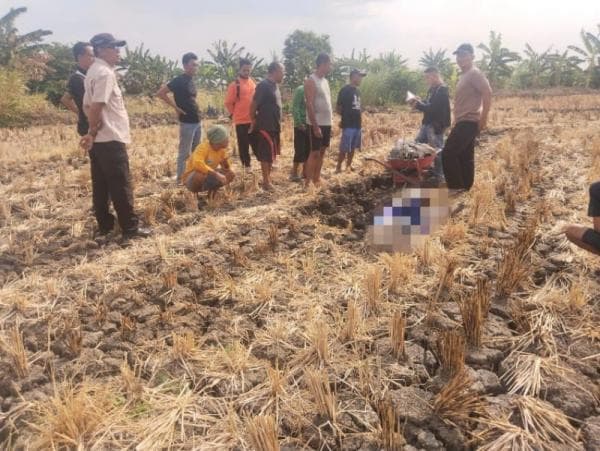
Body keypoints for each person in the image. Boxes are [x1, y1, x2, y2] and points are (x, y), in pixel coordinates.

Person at [80, 33, 150, 240]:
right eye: (114, 47)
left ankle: (105, 226)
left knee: (101, 185)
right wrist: (93, 130)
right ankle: (130, 228)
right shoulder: (105, 73)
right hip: (110, 138)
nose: (118, 51)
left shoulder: (92, 72)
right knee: (120, 184)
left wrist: (92, 132)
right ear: (101, 49)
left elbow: (86, 106)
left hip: (101, 140)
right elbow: (95, 107)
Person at [442, 43, 492, 192]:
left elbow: (487, 92)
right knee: (465, 155)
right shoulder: (464, 75)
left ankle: (456, 187)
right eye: (458, 55)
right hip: (463, 121)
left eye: (464, 55)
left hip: (469, 121)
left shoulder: (474, 73)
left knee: (448, 153)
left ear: (472, 56)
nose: (460, 58)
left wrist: (483, 118)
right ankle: (465, 186)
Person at [156, 52, 201, 183]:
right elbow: (160, 93)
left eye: (196, 65)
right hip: (187, 122)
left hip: (197, 121)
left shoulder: (191, 80)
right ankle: (180, 180)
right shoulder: (179, 80)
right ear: (185, 65)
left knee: (196, 152)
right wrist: (175, 108)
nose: (195, 67)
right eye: (193, 65)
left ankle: (192, 177)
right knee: (184, 153)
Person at [409, 67, 451, 181]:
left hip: (436, 125)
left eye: (428, 77)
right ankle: (427, 168)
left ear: (435, 76)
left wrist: (418, 105)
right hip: (427, 124)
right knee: (417, 145)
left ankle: (439, 175)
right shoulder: (432, 89)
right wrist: (419, 101)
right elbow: (428, 104)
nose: (426, 80)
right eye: (425, 77)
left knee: (436, 150)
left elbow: (433, 109)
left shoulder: (442, 90)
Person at [249, 61, 284, 191]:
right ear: (275, 71)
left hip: (274, 125)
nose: (283, 75)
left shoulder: (275, 86)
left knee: (271, 154)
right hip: (265, 125)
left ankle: (267, 180)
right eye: (282, 72)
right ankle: (266, 182)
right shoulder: (263, 85)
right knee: (265, 154)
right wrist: (253, 120)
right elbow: (253, 105)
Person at [182, 125, 235, 205]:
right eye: (226, 139)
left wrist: (226, 164)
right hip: (191, 179)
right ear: (218, 140)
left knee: (230, 174)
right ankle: (195, 198)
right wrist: (217, 174)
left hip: (207, 176)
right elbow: (198, 164)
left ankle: (211, 196)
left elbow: (226, 168)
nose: (228, 140)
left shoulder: (221, 150)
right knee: (199, 175)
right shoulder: (203, 147)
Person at [304, 53, 333, 188]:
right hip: (316, 123)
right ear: (323, 64)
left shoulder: (325, 81)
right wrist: (315, 126)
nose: (330, 67)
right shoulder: (311, 80)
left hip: (327, 123)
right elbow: (309, 104)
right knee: (314, 152)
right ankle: (308, 182)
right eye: (329, 64)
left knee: (322, 151)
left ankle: (317, 179)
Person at [225, 58, 257, 169]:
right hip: (240, 121)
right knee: (243, 145)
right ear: (239, 70)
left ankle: (262, 161)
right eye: (244, 70)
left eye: (248, 70)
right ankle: (246, 166)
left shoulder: (252, 83)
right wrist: (234, 114)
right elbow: (228, 103)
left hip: (253, 119)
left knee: (256, 143)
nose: (246, 72)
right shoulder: (234, 85)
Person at [60, 42, 94, 137]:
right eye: (91, 55)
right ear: (80, 57)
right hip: (89, 126)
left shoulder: (87, 76)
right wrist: (81, 113)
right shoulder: (77, 78)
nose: (94, 59)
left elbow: (65, 98)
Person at [336, 68, 366, 173]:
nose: (361, 79)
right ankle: (338, 166)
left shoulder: (358, 91)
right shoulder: (345, 90)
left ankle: (348, 165)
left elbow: (358, 107)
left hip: (357, 124)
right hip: (348, 124)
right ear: (353, 77)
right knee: (344, 148)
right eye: (359, 76)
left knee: (353, 147)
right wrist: (345, 117)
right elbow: (338, 108)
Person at [563, 182, 600, 256]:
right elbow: (598, 228)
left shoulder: (597, 188)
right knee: (571, 230)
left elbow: (598, 228)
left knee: (571, 230)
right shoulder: (597, 189)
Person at [290, 84, 309, 182]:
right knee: (299, 149)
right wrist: (299, 122)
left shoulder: (314, 90)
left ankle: (305, 172)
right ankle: (294, 173)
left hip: (310, 124)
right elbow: (295, 107)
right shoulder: (301, 89)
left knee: (308, 149)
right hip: (301, 125)